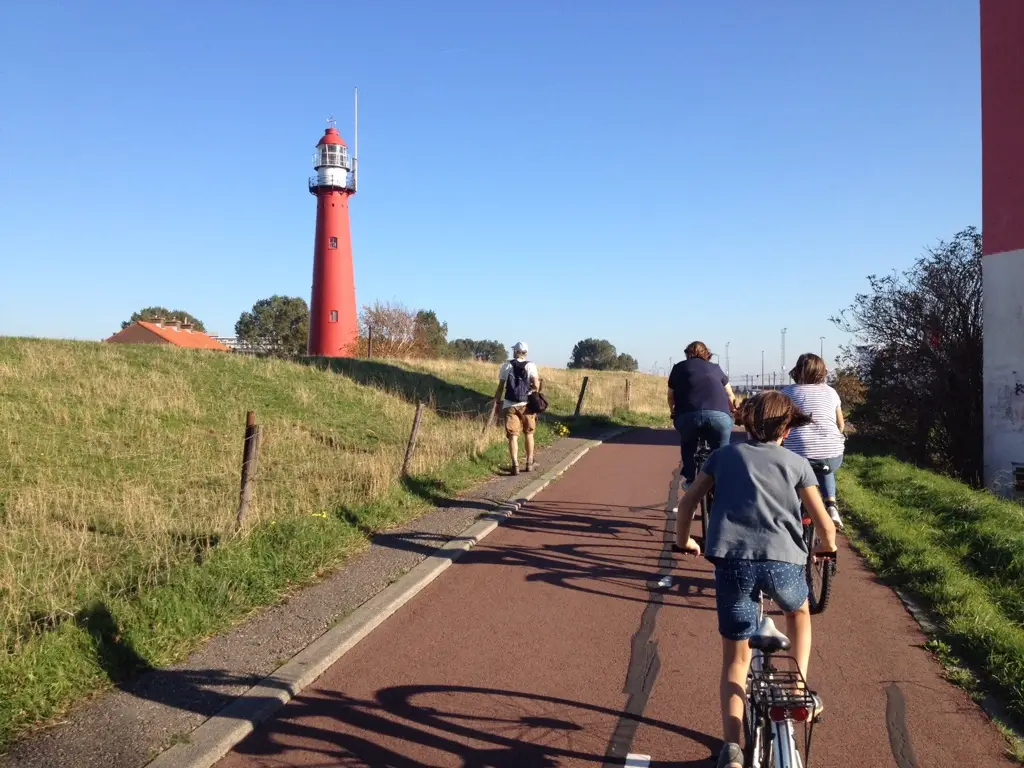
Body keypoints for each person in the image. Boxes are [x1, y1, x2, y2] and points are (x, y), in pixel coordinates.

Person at [674, 391, 838, 768]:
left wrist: (685, 542)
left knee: (736, 658)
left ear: (746, 424)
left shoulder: (722, 457)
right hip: (783, 562)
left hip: (733, 563)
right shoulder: (797, 464)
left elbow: (687, 504)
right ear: (786, 429)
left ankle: (732, 749)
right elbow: (825, 525)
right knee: (798, 612)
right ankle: (796, 689)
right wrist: (825, 548)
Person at [780, 353, 846, 529]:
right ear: (822, 372)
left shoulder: (787, 393)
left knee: (795, 473)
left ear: (797, 371)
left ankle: (792, 510)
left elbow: (780, 423)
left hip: (799, 454)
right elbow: (841, 425)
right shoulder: (831, 392)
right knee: (825, 465)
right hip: (831, 454)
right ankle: (831, 505)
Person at [667, 341, 736, 486]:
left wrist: (673, 411)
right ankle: (722, 482)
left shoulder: (678, 368)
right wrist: (733, 411)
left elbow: (670, 397)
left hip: (687, 416)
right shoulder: (716, 368)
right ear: (707, 354)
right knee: (722, 449)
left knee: (688, 444)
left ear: (687, 354)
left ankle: (690, 479)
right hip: (719, 416)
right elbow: (730, 395)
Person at [493, 341, 540, 476]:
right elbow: (536, 385)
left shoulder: (506, 365)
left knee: (513, 436)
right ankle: (529, 462)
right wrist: (532, 392)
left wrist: (497, 403)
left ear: (515, 351)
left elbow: (501, 387)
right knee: (529, 433)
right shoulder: (531, 365)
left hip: (510, 404)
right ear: (526, 353)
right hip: (526, 405)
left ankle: (515, 465)